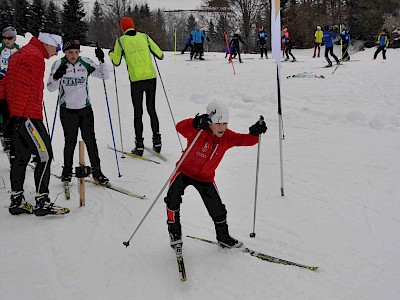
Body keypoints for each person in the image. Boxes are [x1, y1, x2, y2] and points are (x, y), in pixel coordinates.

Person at [164, 102, 268, 249]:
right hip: (183, 171)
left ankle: (223, 237)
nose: (222, 127)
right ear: (210, 122)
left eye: (225, 123)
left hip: (205, 178)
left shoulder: (227, 137)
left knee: (218, 210)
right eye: (218, 123)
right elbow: (179, 127)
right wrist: (196, 122)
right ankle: (174, 233)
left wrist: (255, 133)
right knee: (172, 200)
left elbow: (246, 140)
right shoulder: (198, 131)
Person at [0, 31, 70, 216]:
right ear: (47, 43)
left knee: (20, 157)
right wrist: (16, 117)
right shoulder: (35, 56)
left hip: (17, 115)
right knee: (45, 156)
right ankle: (42, 201)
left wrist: (8, 116)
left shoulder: (21, 53)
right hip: (27, 115)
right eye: (57, 48)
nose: (56, 53)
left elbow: (5, 83)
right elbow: (23, 86)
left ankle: (17, 201)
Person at [47, 39, 110, 185]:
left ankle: (97, 171)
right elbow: (50, 87)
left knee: (90, 140)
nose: (73, 55)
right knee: (70, 141)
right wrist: (57, 76)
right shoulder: (59, 64)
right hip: (67, 110)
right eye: (70, 52)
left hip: (85, 109)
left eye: (76, 52)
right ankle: (67, 171)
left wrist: (102, 60)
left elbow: (104, 75)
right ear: (65, 52)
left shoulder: (85, 63)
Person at [109, 17, 164, 157]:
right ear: (133, 26)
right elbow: (160, 54)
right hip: (151, 78)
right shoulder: (144, 37)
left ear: (123, 28)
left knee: (138, 113)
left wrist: (110, 53)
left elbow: (116, 61)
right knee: (152, 109)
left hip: (136, 81)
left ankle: (139, 145)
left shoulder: (121, 41)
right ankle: (157, 142)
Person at [0, 26, 19, 153]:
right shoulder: (1, 49)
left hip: (13, 85)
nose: (7, 40)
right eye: (4, 37)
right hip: (1, 83)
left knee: (11, 110)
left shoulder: (19, 50)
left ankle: (9, 136)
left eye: (10, 38)